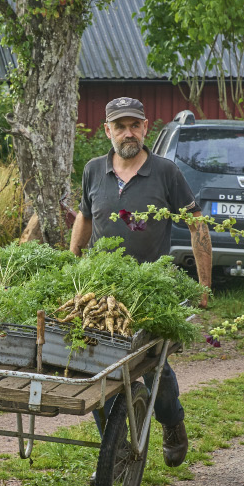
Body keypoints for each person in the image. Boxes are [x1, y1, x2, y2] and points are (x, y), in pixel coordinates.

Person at [69, 96, 213, 467]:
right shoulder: (93, 170)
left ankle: (172, 421)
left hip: (152, 294)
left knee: (154, 369)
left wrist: (204, 286)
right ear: (107, 131)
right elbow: (85, 217)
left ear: (146, 127)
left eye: (135, 125)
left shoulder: (166, 172)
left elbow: (197, 225)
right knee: (97, 368)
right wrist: (72, 265)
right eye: (120, 126)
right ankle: (115, 452)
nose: (128, 133)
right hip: (103, 293)